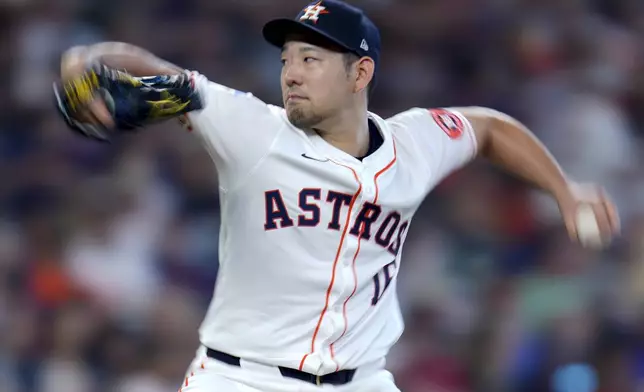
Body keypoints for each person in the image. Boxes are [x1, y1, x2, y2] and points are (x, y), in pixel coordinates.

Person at [57, 1, 620, 391]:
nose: (291, 73)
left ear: (360, 73)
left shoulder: (415, 142)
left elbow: (490, 129)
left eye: (311, 59)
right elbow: (157, 72)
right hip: (241, 378)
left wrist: (564, 190)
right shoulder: (251, 128)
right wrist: (83, 63)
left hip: (362, 379)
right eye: (286, 60)